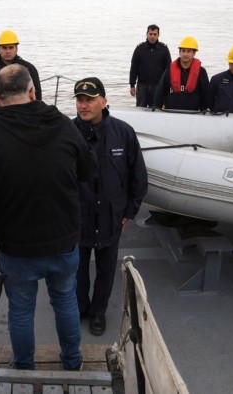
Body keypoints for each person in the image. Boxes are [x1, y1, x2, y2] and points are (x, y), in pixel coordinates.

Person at [0, 64, 96, 371]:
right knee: (65, 301)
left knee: (21, 311)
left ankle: (23, 367)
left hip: (17, 249)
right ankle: (72, 362)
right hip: (64, 242)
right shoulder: (62, 124)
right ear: (33, 91)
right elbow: (88, 169)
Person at [72, 77, 148, 336]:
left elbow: (138, 176)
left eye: (90, 99)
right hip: (78, 217)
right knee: (77, 268)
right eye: (80, 100)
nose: (83, 105)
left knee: (106, 269)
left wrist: (129, 212)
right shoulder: (68, 133)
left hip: (111, 217)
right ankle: (80, 306)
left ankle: (98, 311)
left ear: (104, 101)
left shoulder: (123, 133)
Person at [0, 29, 42, 124]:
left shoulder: (29, 68)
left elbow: (37, 96)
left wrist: (36, 119)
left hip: (24, 118)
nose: (8, 51)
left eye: (11, 47)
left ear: (17, 48)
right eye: (4, 48)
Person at [153, 35, 210, 111]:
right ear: (179, 52)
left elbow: (205, 96)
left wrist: (204, 113)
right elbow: (159, 93)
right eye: (183, 51)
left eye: (188, 51)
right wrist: (157, 110)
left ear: (194, 53)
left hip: (193, 114)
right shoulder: (169, 70)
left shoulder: (201, 72)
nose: (185, 54)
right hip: (171, 113)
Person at [129, 24, 171, 108]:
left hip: (157, 86)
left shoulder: (164, 49)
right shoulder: (139, 49)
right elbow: (134, 68)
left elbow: (169, 69)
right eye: (150, 34)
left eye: (155, 34)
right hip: (142, 86)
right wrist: (132, 85)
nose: (152, 36)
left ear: (158, 35)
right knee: (140, 109)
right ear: (147, 34)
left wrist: (168, 87)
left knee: (156, 110)